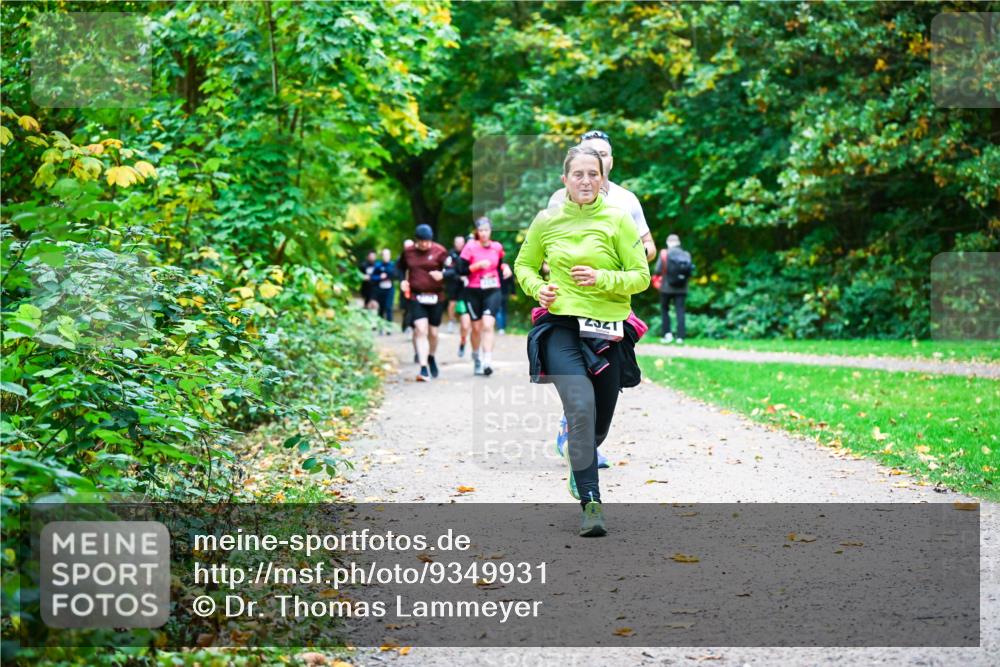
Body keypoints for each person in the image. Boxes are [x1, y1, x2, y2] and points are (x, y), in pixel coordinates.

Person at [515, 146, 650, 537]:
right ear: (565, 180)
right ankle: (592, 502)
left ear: (603, 178)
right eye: (578, 174)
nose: (587, 181)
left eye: (594, 173)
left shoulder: (618, 220)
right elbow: (523, 265)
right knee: (579, 404)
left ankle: (581, 459)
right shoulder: (547, 220)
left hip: (608, 329)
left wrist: (602, 278)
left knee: (598, 422)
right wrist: (537, 288)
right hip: (560, 325)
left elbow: (640, 276)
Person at [548, 130, 656, 261]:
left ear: (611, 162)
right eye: (590, 154)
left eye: (602, 155)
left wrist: (634, 255)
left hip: (617, 280)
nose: (597, 159)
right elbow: (547, 246)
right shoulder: (560, 199)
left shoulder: (627, 199)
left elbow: (648, 244)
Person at [458, 217, 511, 376]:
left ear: (490, 231)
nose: (483, 233)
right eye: (480, 230)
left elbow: (501, 262)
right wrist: (477, 266)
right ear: (477, 232)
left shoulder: (497, 247)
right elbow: (460, 270)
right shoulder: (470, 247)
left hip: (492, 290)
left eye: (486, 230)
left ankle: (487, 361)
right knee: (476, 328)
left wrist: (506, 267)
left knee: (488, 325)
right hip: (473, 291)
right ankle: (477, 357)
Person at [398, 225, 450, 381]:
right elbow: (399, 268)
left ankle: (431, 357)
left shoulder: (440, 251)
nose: (426, 245)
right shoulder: (408, 253)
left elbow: (454, 270)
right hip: (416, 297)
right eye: (422, 242)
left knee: (433, 333)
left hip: (436, 297)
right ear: (417, 241)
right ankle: (423, 368)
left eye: (428, 242)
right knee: (421, 330)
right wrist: (402, 281)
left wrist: (443, 275)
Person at [654, 234, 693, 344]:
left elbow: (658, 270)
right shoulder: (686, 254)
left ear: (668, 242)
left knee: (664, 310)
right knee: (680, 310)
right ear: (679, 242)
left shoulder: (664, 253)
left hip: (666, 288)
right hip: (682, 288)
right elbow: (689, 271)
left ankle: (667, 335)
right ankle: (680, 337)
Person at [445, 236, 471, 355]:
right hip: (459, 288)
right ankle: (462, 340)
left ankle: (480, 355)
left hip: (479, 292)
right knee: (465, 324)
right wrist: (460, 277)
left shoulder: (482, 254)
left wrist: (504, 267)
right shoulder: (453, 255)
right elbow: (448, 270)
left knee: (480, 327)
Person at [372, 249, 396, 329]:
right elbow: (373, 277)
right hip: (380, 289)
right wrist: (380, 277)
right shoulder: (378, 266)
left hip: (389, 289)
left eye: (387, 255)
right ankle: (381, 326)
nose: (386, 257)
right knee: (381, 308)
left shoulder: (393, 265)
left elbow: (397, 276)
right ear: (382, 256)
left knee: (388, 307)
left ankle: (389, 327)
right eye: (384, 255)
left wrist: (390, 277)